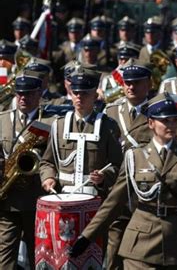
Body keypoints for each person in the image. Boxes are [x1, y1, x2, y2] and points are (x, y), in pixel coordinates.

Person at [69, 93, 177, 269]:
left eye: (174, 120)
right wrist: (87, 237)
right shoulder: (135, 157)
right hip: (140, 246)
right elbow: (114, 202)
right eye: (165, 121)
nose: (171, 125)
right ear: (151, 123)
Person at [101, 60, 155, 269]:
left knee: (143, 248)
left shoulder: (157, 110)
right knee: (113, 246)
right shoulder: (111, 111)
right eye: (127, 83)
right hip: (116, 187)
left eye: (137, 83)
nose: (131, 87)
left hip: (144, 188)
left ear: (148, 84)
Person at [0, 70, 55, 269]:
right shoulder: (3, 119)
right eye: (20, 94)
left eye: (29, 93)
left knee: (38, 257)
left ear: (39, 94)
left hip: (35, 200)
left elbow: (53, 157)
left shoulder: (51, 121)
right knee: (4, 259)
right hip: (8, 200)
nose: (23, 98)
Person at [39, 68, 122, 198]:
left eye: (85, 93)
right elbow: (47, 162)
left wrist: (103, 177)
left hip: (95, 198)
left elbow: (117, 165)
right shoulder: (58, 125)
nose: (79, 97)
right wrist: (48, 177)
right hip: (63, 196)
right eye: (76, 93)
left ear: (95, 96)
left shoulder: (108, 126)